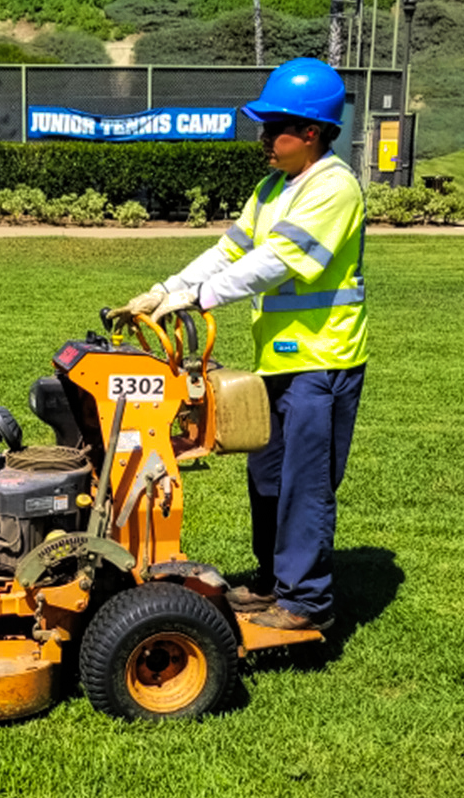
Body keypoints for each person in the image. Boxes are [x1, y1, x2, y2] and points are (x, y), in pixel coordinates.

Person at [109, 58, 367, 631]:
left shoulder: (333, 188)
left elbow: (272, 265)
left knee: (305, 484)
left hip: (324, 363)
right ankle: (275, 582)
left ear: (311, 132)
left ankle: (306, 602)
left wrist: (197, 299)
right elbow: (229, 253)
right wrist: (165, 290)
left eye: (274, 128)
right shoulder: (274, 187)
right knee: (267, 477)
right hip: (278, 363)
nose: (263, 139)